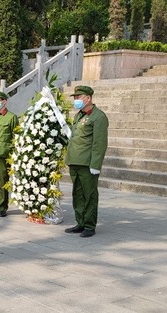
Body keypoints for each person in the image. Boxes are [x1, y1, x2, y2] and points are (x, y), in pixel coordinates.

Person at [64, 85, 109, 238]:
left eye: (78, 97)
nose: (76, 100)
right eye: (75, 98)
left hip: (87, 164)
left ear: (88, 98)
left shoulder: (99, 117)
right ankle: (81, 222)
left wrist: (96, 165)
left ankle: (89, 225)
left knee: (89, 195)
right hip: (75, 161)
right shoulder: (79, 115)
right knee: (77, 194)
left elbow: (99, 143)